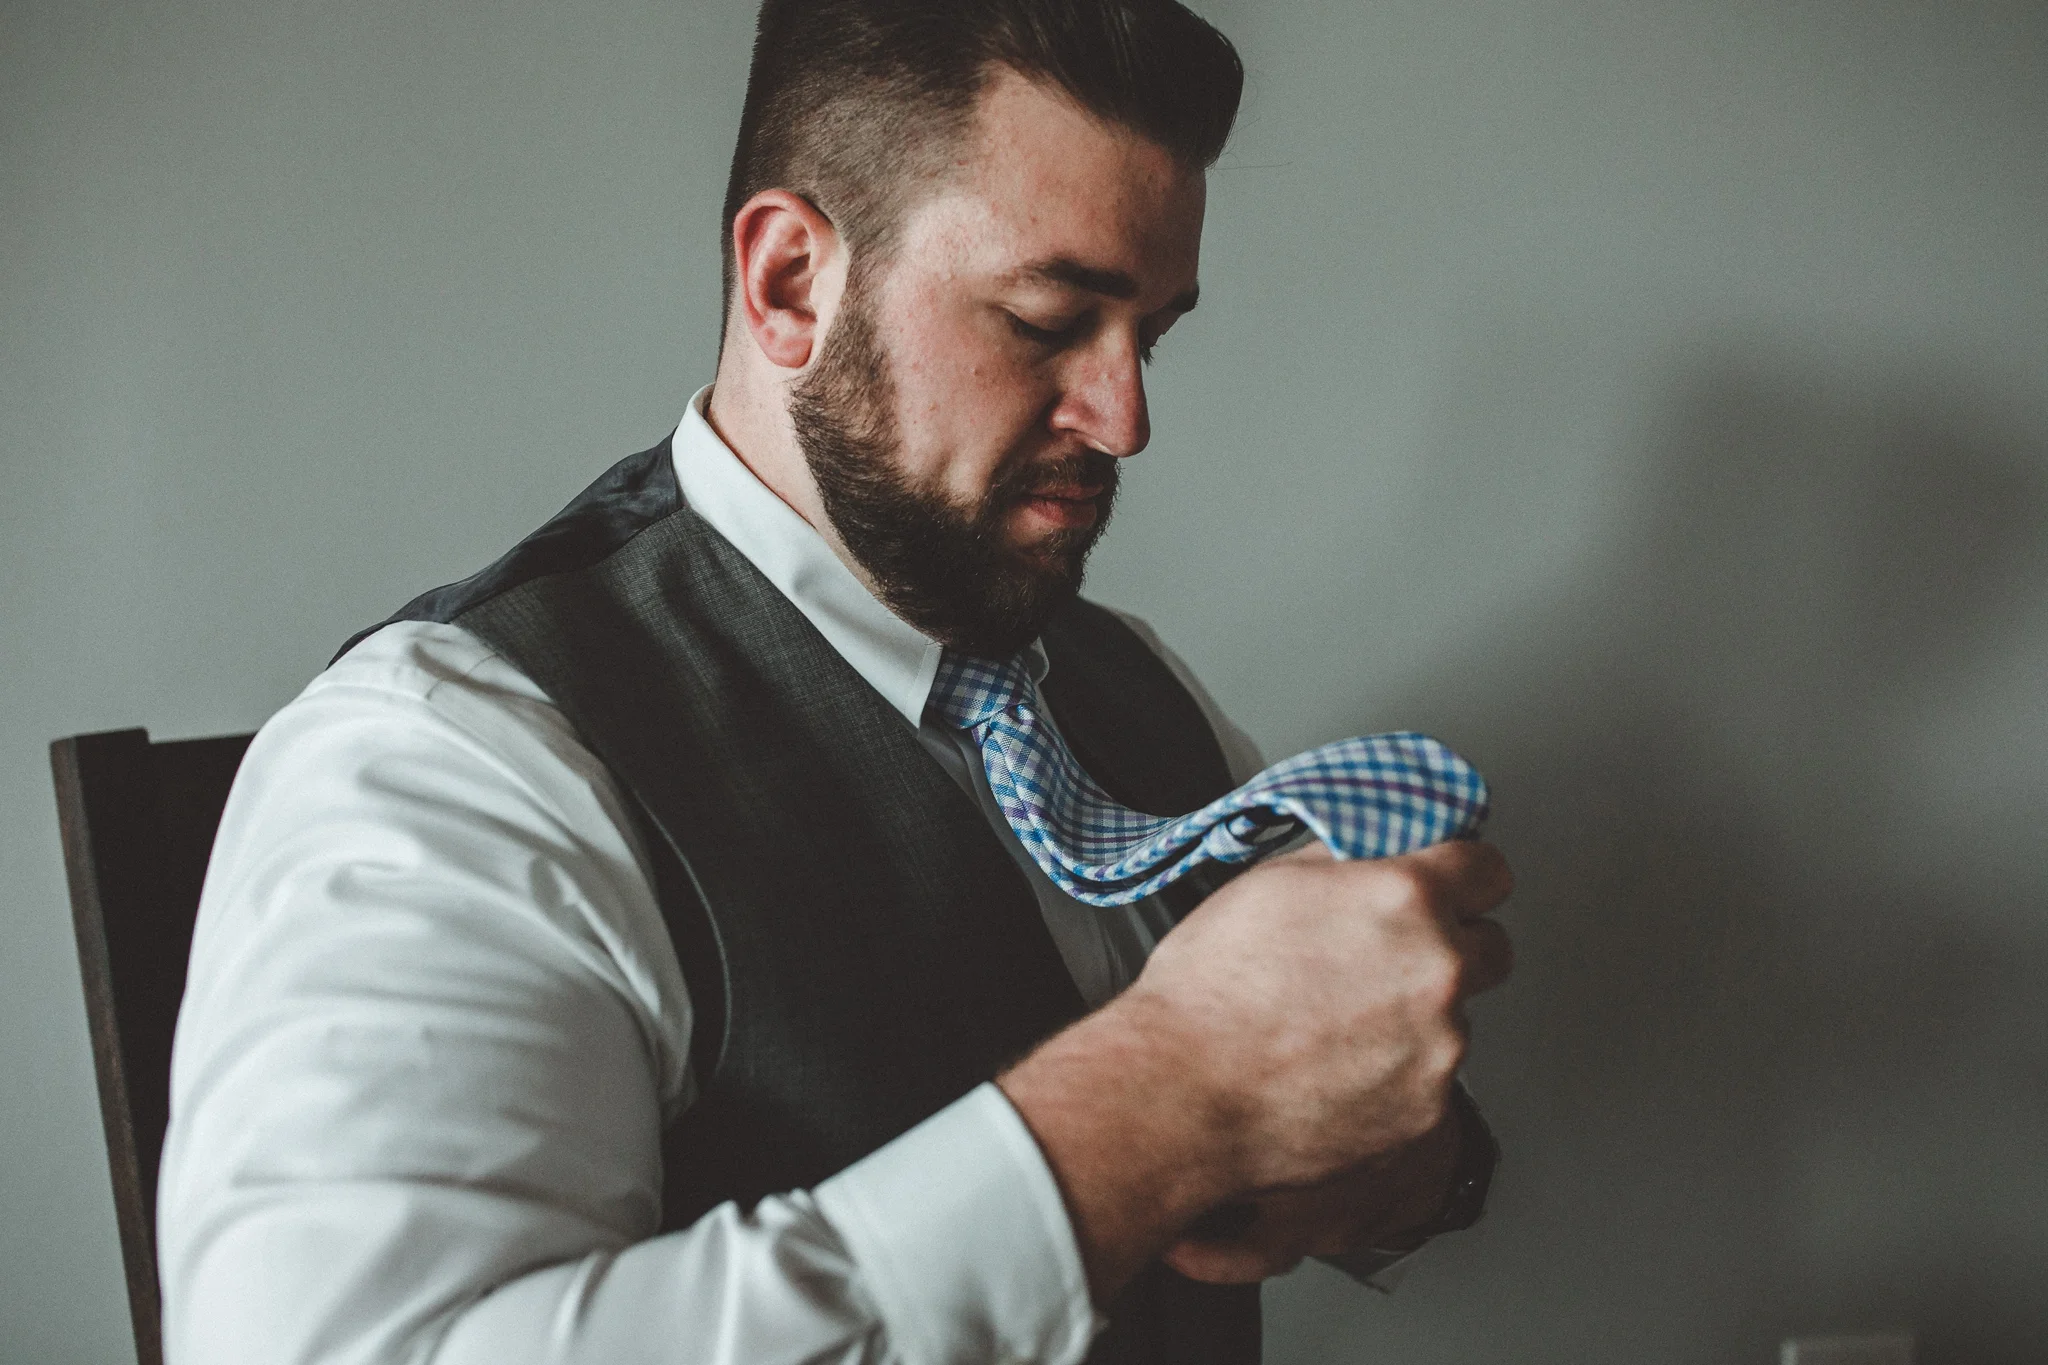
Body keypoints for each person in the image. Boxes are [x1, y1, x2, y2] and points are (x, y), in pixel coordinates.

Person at [157, 2, 1515, 1363]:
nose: (1126, 419)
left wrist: (1402, 1164)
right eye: (1047, 320)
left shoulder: (1135, 688)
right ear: (792, 282)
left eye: (1148, 335)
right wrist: (1162, 1099)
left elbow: (1332, 1089)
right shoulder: (448, 765)